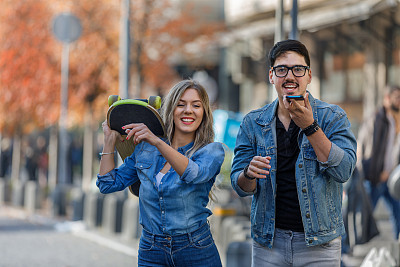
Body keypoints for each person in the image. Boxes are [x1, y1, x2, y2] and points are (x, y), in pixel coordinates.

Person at [230, 39, 357, 266]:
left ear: (309, 75)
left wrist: (310, 127)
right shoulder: (252, 123)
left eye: (298, 69)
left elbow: (344, 170)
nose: (290, 76)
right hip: (268, 243)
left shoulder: (332, 117)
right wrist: (248, 174)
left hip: (320, 244)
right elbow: (240, 187)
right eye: (282, 70)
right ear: (271, 76)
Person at [96, 79, 225, 267]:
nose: (188, 110)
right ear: (171, 110)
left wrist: (157, 141)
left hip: (195, 250)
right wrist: (110, 140)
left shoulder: (211, 151)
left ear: (204, 113)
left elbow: (192, 173)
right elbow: (107, 184)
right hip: (151, 250)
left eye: (196, 105)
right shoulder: (145, 149)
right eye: (181, 104)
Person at [357, 85, 400, 240]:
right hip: (375, 178)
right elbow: (365, 147)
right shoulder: (376, 119)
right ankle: (347, 248)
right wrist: (374, 174)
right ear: (387, 98)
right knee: (364, 215)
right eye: (396, 97)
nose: (399, 101)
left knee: (397, 211)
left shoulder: (393, 120)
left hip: (388, 178)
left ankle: (397, 242)